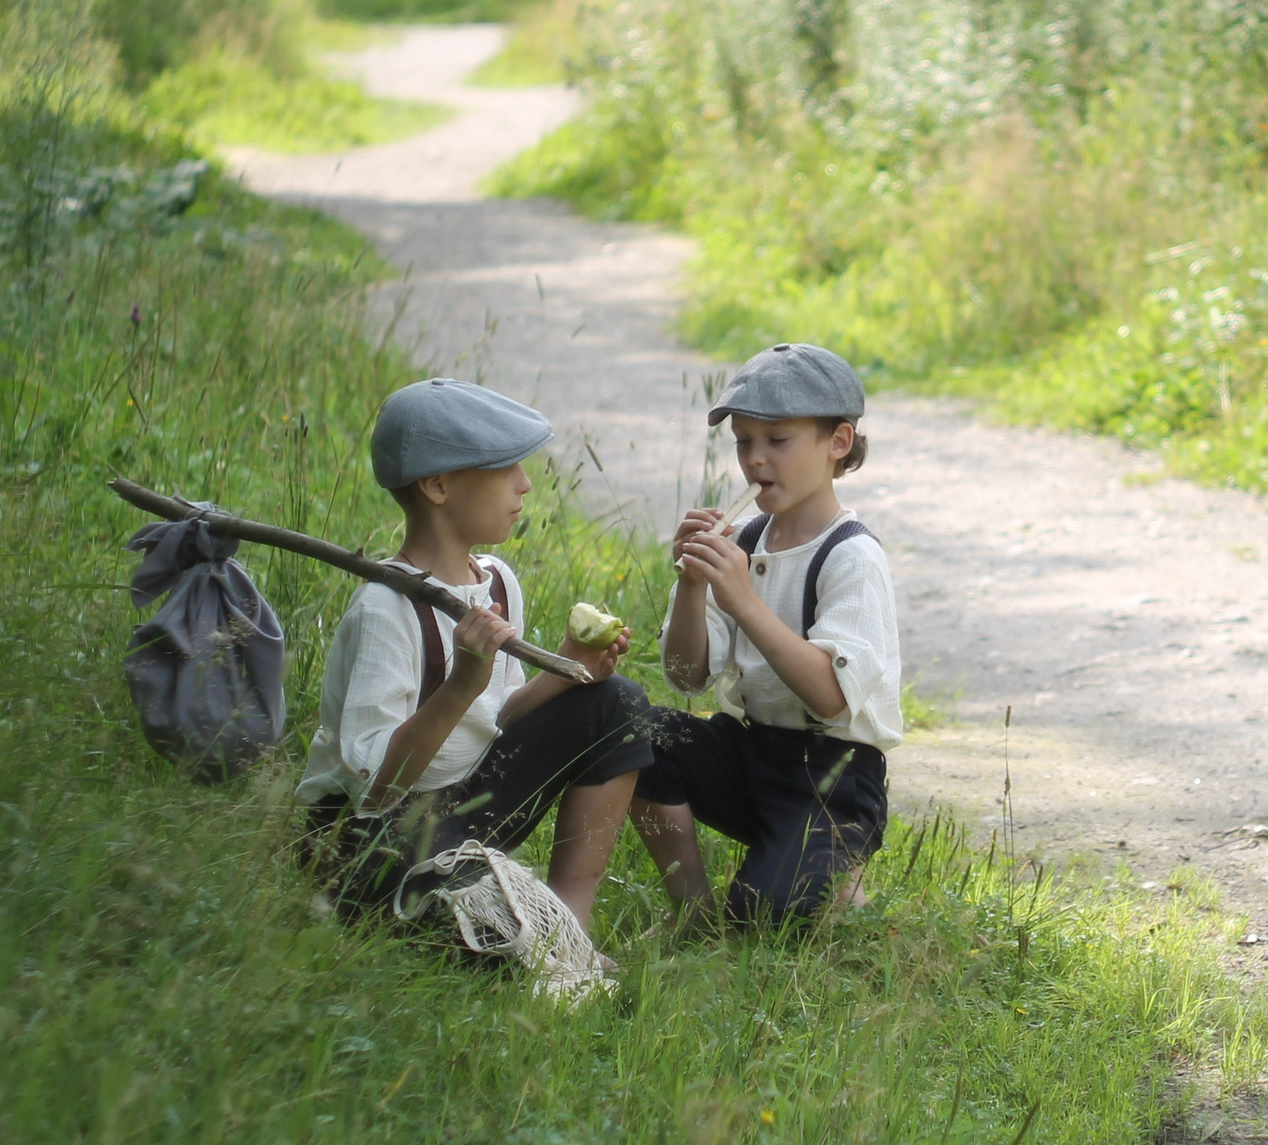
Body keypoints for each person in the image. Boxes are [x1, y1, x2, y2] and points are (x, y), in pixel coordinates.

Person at [297, 377, 654, 930]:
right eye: (506, 468)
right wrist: (461, 684)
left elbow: (499, 719)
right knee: (487, 937)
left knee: (618, 702)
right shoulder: (383, 610)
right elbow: (377, 791)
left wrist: (564, 668)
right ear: (438, 486)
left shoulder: (496, 582)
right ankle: (448, 907)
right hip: (373, 840)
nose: (525, 485)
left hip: (464, 803)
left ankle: (567, 917)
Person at [631, 343, 905, 922]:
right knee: (640, 733)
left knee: (762, 913)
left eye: (777, 441)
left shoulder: (850, 555)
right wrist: (693, 585)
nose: (755, 460)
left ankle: (830, 868)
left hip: (834, 776)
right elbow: (686, 677)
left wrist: (746, 603)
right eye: (743, 442)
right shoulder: (744, 541)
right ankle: (693, 909)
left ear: (838, 443)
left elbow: (832, 695)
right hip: (752, 749)